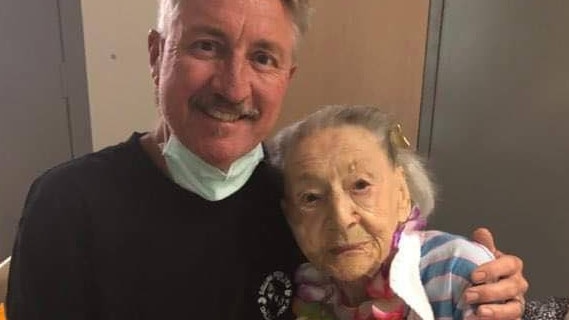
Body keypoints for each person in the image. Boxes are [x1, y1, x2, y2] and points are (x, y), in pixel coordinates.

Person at [6, 0, 526, 319]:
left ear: (287, 78)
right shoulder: (68, 206)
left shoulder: (302, 202)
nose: (234, 88)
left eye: (263, 58)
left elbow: (396, 267)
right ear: (154, 55)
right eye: (206, 46)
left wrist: (483, 285)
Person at [267, 104, 505, 319]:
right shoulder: (293, 290)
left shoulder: (457, 272)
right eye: (311, 197)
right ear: (291, 217)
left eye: (360, 185)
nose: (341, 219)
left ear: (402, 194)